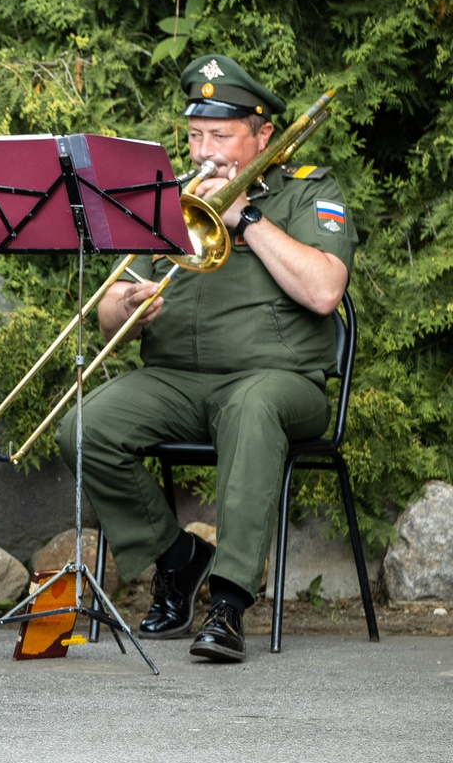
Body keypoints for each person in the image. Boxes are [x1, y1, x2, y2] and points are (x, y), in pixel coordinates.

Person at [59, 55, 354, 663]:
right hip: (175, 380)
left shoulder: (307, 191)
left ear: (262, 134)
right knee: (82, 428)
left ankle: (228, 602)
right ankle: (178, 558)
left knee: (252, 406)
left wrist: (245, 217)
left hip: (277, 382)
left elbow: (325, 290)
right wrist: (129, 307)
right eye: (196, 135)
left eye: (221, 135)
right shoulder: (168, 196)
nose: (205, 151)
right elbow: (109, 306)